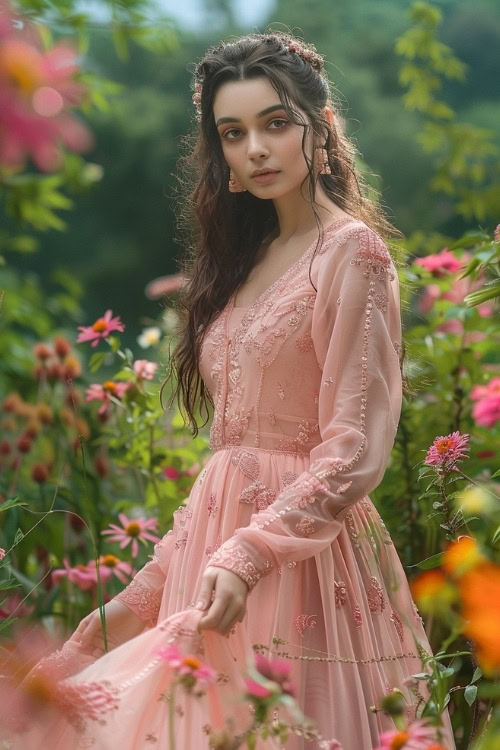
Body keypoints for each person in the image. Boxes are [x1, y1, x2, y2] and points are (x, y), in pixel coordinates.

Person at [3, 30, 456, 750]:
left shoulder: (353, 255)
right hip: (211, 562)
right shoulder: (242, 265)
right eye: (233, 133)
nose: (255, 149)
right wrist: (103, 626)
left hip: (300, 565)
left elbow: (355, 449)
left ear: (322, 128)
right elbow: (226, 474)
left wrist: (248, 552)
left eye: (277, 124)